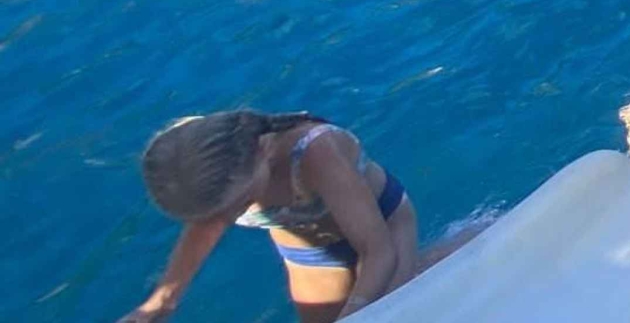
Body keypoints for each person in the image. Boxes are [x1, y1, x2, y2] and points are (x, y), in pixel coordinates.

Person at [118, 111, 417, 323]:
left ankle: (453, 247)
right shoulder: (215, 174)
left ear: (261, 151)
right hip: (309, 255)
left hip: (383, 225)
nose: (228, 218)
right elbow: (205, 228)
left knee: (393, 311)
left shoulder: (315, 150)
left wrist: (356, 313)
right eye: (215, 214)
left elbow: (377, 250)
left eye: (242, 202)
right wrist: (161, 301)